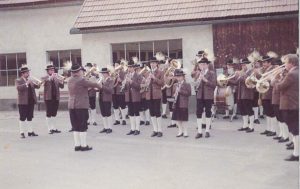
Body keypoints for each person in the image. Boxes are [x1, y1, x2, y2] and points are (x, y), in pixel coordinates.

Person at [68, 64, 101, 151]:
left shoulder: (69, 80)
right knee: (83, 126)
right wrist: (99, 84)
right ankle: (83, 145)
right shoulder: (81, 80)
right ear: (79, 72)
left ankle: (77, 145)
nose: (82, 72)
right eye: (81, 71)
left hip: (71, 105)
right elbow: (95, 84)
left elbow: (81, 88)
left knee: (75, 126)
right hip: (81, 105)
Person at [275, 54, 299, 161]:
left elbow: (280, 87)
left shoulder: (291, 74)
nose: (284, 64)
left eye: (286, 62)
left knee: (295, 130)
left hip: (290, 104)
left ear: (291, 63)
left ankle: (296, 154)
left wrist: (275, 79)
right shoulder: (296, 72)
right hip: (295, 104)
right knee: (295, 129)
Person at [228, 58, 255, 132]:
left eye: (244, 65)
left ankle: (251, 126)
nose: (243, 66)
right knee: (243, 110)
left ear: (248, 65)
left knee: (249, 110)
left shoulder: (251, 72)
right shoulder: (241, 72)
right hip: (240, 94)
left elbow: (250, 81)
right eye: (242, 65)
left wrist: (242, 75)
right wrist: (228, 80)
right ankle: (245, 125)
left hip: (247, 94)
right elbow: (236, 82)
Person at [193, 57, 217, 139]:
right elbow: (195, 85)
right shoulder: (198, 73)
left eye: (203, 64)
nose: (202, 66)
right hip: (199, 95)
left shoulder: (212, 73)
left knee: (208, 112)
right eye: (200, 64)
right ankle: (199, 131)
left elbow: (214, 85)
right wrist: (198, 80)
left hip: (208, 96)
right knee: (198, 112)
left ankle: (207, 131)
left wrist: (205, 80)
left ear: (207, 65)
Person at [15, 65, 40, 138]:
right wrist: (26, 83)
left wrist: (38, 84)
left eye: (28, 72)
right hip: (22, 102)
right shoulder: (18, 80)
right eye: (27, 72)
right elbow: (18, 88)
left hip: (30, 101)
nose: (28, 74)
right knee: (22, 117)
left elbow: (36, 86)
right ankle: (22, 132)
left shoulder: (30, 80)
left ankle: (30, 131)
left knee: (30, 117)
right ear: (23, 74)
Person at [41, 64, 64, 134]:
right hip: (48, 98)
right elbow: (43, 82)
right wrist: (51, 77)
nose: (53, 71)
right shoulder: (44, 77)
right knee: (49, 113)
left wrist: (61, 80)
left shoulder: (56, 77)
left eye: (53, 70)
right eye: (51, 70)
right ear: (48, 71)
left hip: (55, 97)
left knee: (54, 113)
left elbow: (62, 86)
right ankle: (49, 129)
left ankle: (54, 128)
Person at [258, 55, 277, 136]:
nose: (263, 64)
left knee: (272, 113)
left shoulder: (273, 69)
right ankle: (268, 128)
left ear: (269, 62)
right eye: (263, 62)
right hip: (264, 93)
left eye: (265, 62)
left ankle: (273, 130)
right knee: (267, 113)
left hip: (270, 94)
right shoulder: (264, 70)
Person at [146, 59, 164, 137]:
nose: (152, 64)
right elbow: (145, 84)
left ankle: (160, 130)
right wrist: (147, 81)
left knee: (157, 112)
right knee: (152, 113)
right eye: (151, 63)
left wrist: (154, 78)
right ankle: (155, 130)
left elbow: (162, 83)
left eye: (153, 63)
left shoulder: (160, 72)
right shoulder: (148, 72)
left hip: (156, 94)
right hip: (149, 95)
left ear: (156, 64)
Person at [124, 60, 143, 135]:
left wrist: (131, 81)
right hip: (129, 96)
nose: (129, 69)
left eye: (131, 67)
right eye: (128, 67)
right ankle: (132, 129)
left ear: (134, 68)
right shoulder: (127, 75)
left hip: (136, 96)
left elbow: (139, 86)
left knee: (136, 113)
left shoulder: (138, 75)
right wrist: (124, 84)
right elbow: (125, 88)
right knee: (131, 113)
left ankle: (137, 129)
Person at [172, 69, 191, 137]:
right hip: (176, 102)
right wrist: (174, 94)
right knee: (177, 118)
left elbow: (189, 93)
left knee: (184, 118)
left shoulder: (187, 84)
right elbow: (173, 93)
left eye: (180, 76)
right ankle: (180, 131)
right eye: (177, 77)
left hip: (183, 103)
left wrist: (180, 91)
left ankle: (185, 132)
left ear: (183, 77)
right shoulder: (175, 85)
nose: (178, 78)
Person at [98, 68, 114, 134]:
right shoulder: (102, 80)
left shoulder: (110, 80)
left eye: (103, 73)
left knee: (108, 113)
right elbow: (98, 87)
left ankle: (110, 128)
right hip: (101, 98)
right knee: (103, 113)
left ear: (107, 73)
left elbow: (110, 90)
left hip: (107, 98)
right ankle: (105, 127)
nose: (102, 74)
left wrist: (102, 86)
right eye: (102, 73)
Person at [112, 60, 127, 126]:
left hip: (120, 92)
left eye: (117, 65)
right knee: (115, 106)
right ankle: (117, 120)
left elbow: (125, 81)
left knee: (122, 106)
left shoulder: (122, 72)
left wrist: (120, 81)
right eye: (115, 65)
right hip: (114, 92)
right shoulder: (113, 73)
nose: (116, 66)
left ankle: (124, 119)